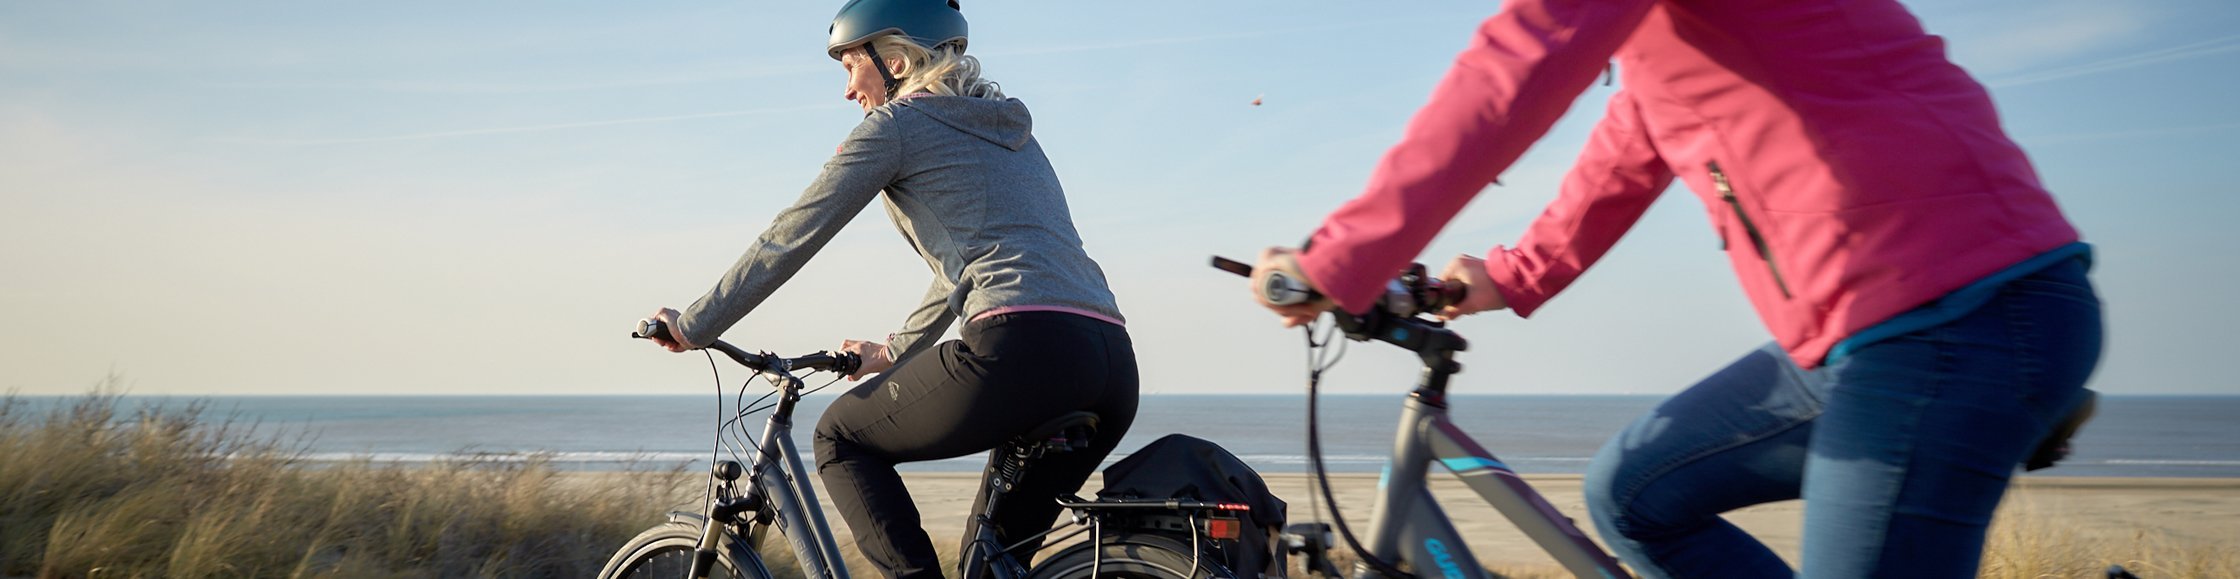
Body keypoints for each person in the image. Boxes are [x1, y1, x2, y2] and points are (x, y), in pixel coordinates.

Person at [1249, 1, 2101, 577]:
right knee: (1635, 493)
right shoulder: (1672, 39)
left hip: (1954, 314)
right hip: (1871, 332)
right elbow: (1631, 149)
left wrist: (1337, 258)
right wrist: (1507, 274)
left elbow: (1514, 70)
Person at [644, 1, 1138, 576]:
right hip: (1110, 362)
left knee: (838, 437)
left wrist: (697, 324)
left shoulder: (896, 129)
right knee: (994, 563)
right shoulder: (1014, 138)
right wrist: (894, 350)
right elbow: (976, 262)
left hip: (1019, 349)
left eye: (851, 66)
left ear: (897, 61)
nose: (847, 90)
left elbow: (791, 235)